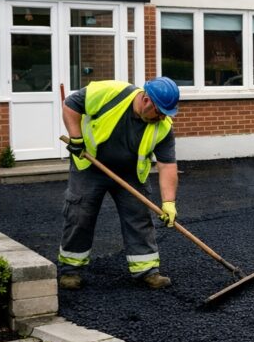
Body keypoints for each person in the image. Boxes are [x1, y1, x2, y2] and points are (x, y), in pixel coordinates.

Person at [58, 77, 180, 290]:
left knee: (139, 216)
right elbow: (70, 105)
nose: (162, 116)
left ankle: (147, 270)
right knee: (80, 214)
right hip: (91, 165)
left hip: (130, 173)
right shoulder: (109, 92)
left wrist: (169, 202)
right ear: (146, 100)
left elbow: (167, 166)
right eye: (159, 111)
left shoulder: (163, 127)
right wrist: (76, 138)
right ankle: (71, 270)